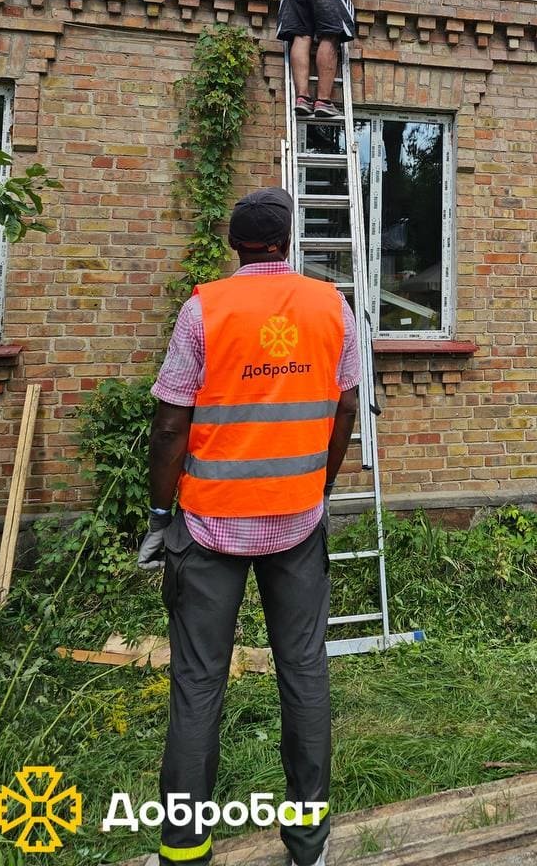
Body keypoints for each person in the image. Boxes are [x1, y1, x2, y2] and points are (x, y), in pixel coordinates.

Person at [138, 187, 361, 866]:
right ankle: (308, 846)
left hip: (208, 526)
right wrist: (316, 488)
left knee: (199, 682)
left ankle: (184, 851)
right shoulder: (332, 306)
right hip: (298, 522)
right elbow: (345, 407)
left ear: (234, 243)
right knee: (304, 674)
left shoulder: (203, 309)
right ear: (288, 242)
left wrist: (156, 515)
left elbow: (173, 421)